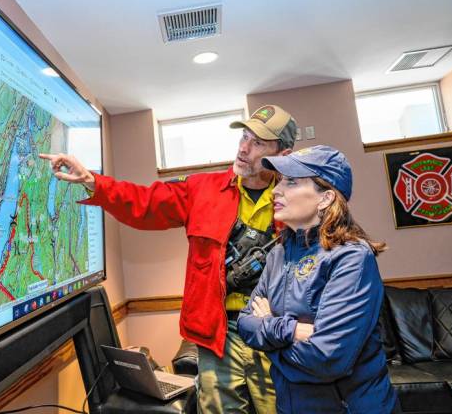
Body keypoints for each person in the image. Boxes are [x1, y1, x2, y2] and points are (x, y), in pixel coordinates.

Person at [40, 105, 298, 413]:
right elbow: (144, 203)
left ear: (283, 153)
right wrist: (92, 181)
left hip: (277, 335)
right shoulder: (203, 189)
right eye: (244, 136)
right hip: (220, 337)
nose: (243, 148)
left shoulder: (299, 197)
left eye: (257, 143)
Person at [237, 145, 399, 413]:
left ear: (325, 199)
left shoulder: (352, 258)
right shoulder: (278, 254)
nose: (276, 190)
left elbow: (326, 358)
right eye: (279, 182)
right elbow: (245, 324)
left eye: (290, 182)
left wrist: (267, 329)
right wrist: (292, 331)